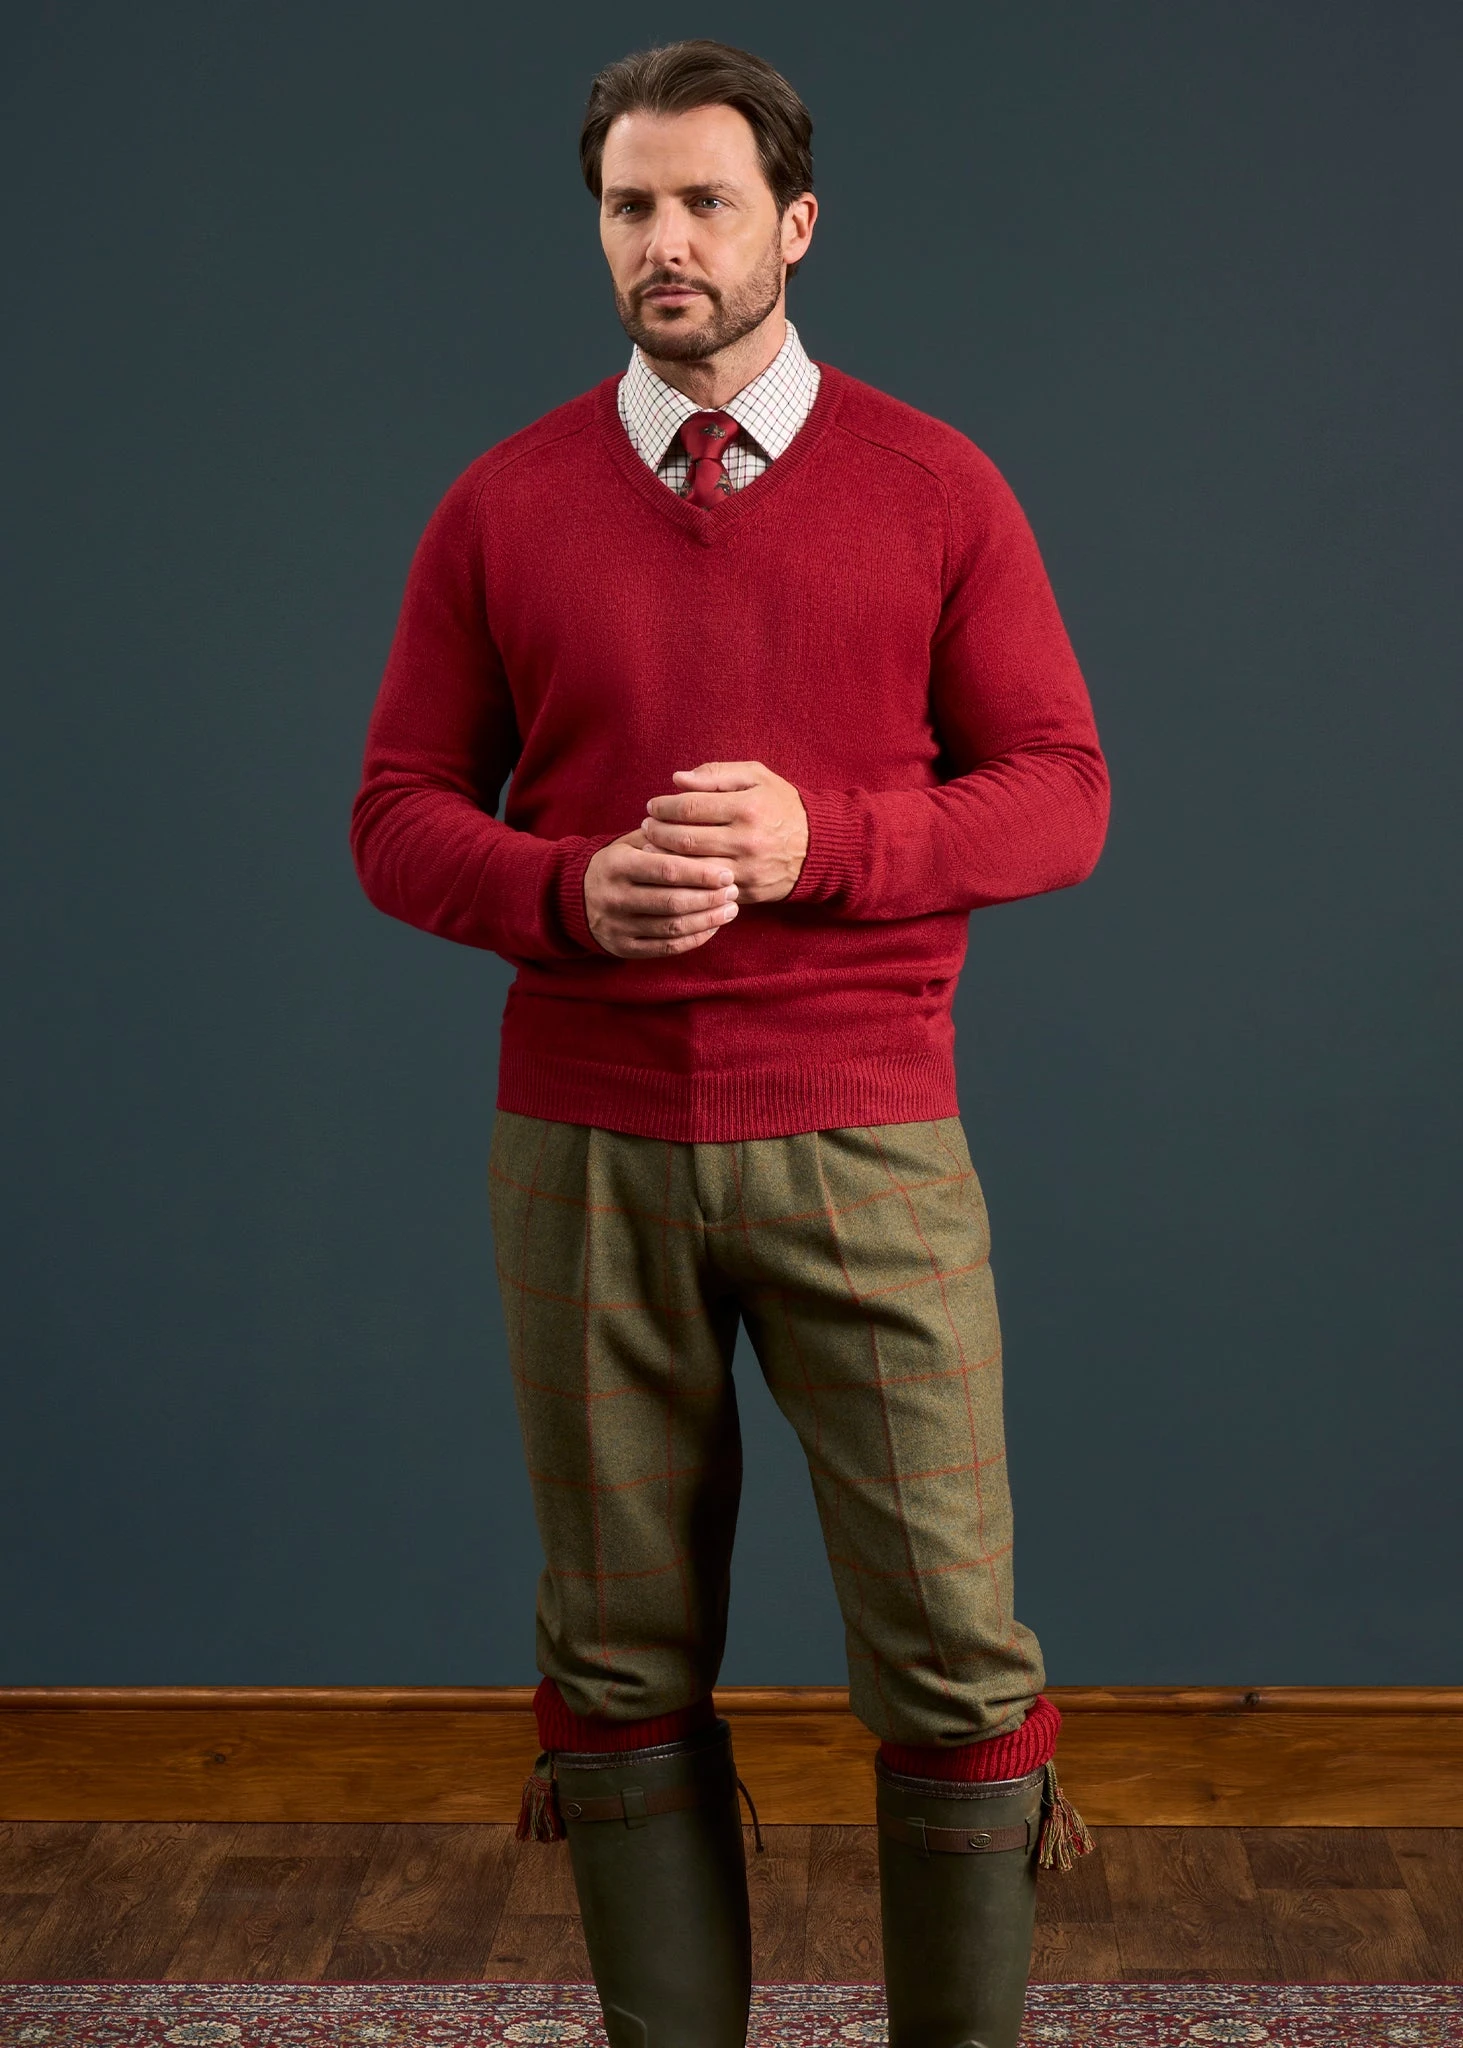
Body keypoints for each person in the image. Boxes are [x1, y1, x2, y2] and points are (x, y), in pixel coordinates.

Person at [352, 36, 1106, 2048]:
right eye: (628, 206)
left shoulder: (934, 485)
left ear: (794, 224)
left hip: (866, 1137)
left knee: (949, 1648)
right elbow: (396, 811)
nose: (662, 242)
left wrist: (819, 842)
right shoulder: (502, 504)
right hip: (584, 1146)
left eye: (703, 203)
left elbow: (1061, 793)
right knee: (615, 1656)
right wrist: (564, 890)